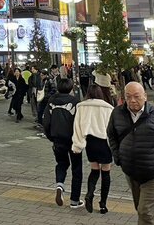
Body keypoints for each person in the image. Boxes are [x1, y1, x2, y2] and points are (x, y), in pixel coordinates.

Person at [107, 82, 154, 225]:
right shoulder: (117, 113)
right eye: (128, 97)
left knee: (145, 211)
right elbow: (112, 135)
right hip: (131, 171)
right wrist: (118, 157)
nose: (132, 100)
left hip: (153, 174)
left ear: (145, 96)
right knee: (142, 209)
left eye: (137, 96)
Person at [72, 84, 114, 214]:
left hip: (90, 142)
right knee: (106, 172)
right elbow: (112, 129)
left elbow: (77, 126)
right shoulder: (108, 108)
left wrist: (77, 145)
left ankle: (89, 194)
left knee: (94, 170)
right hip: (104, 142)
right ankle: (103, 204)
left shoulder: (81, 106)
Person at [43, 78, 83, 209]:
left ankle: (60, 185)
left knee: (61, 163)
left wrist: (51, 137)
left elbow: (46, 122)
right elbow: (80, 123)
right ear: (71, 88)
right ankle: (75, 200)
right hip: (73, 140)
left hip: (57, 139)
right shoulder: (76, 102)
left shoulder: (51, 101)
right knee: (76, 168)